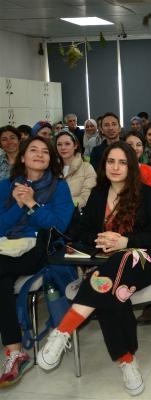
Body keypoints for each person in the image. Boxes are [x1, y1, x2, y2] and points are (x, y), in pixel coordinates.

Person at [37, 142, 151, 397]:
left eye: (122, 162)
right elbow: (82, 232)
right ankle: (127, 362)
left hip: (146, 259)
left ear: (131, 167)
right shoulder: (98, 194)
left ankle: (63, 331)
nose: (116, 167)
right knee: (110, 293)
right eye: (111, 161)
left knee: (118, 264)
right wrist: (101, 239)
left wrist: (125, 241)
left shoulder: (147, 194)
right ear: (104, 165)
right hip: (107, 265)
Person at [0, 136, 73, 387]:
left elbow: (59, 226)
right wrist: (17, 205)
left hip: (40, 249)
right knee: (1, 282)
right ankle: (15, 351)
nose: (40, 154)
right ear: (22, 157)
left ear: (51, 159)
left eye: (45, 151)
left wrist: (32, 203)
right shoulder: (5, 186)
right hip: (6, 249)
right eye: (33, 150)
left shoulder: (59, 187)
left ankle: (15, 352)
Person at [55, 131, 96, 209]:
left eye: (67, 144)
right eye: (59, 144)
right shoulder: (52, 168)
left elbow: (86, 197)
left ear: (75, 146)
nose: (63, 148)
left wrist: (61, 205)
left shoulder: (87, 168)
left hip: (75, 213)